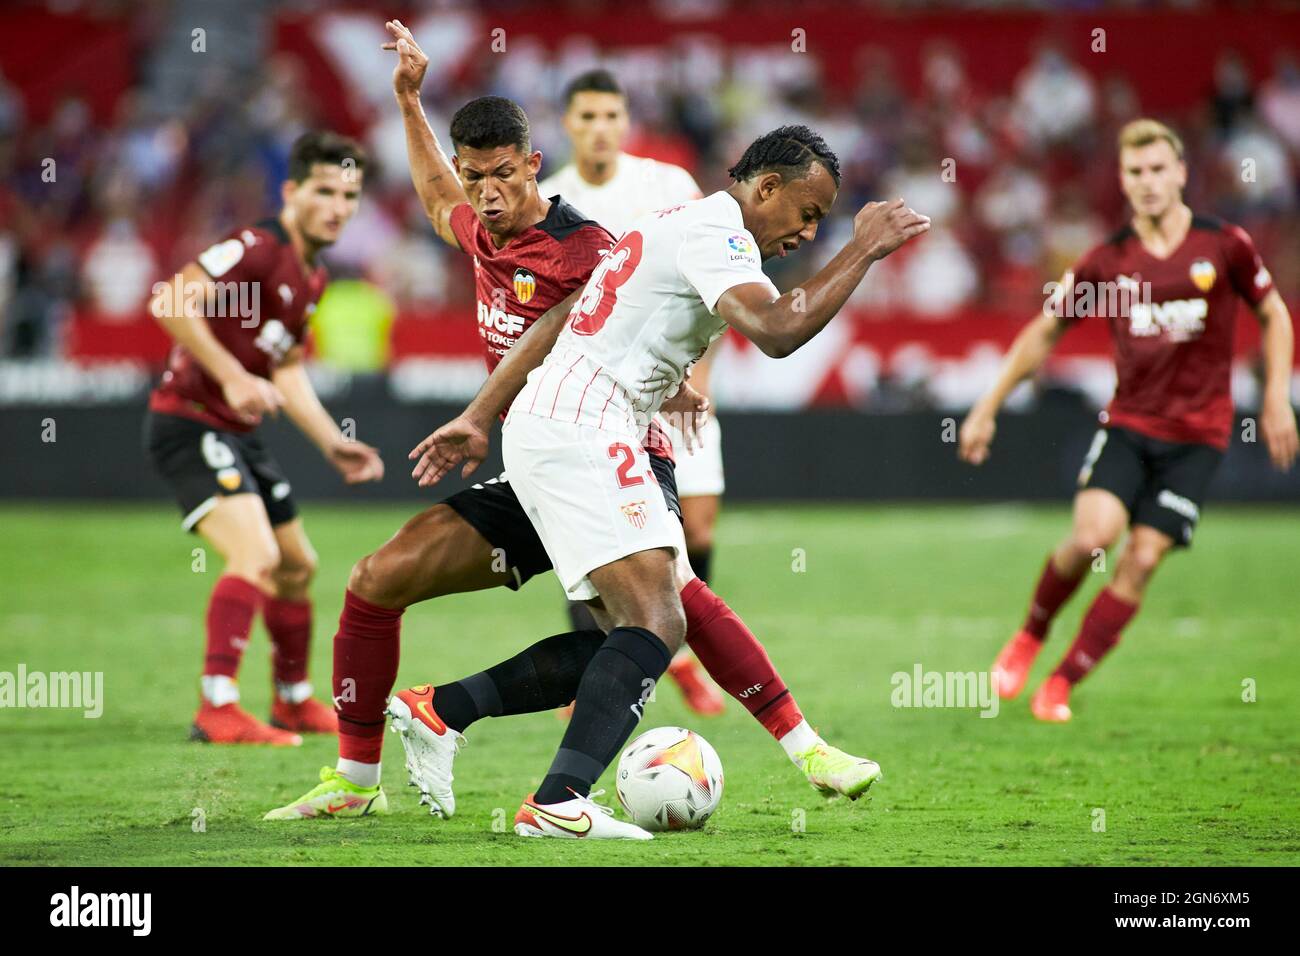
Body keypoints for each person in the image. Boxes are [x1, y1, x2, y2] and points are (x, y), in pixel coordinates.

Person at [264, 20, 890, 823]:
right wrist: (410, 100)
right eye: (472, 177)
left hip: (603, 440)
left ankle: (793, 751)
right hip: (548, 451)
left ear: (532, 168)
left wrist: (501, 408)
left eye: (498, 177)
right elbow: (433, 195)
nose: (483, 194)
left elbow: (593, 325)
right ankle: (364, 775)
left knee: (660, 615)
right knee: (380, 582)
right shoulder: (488, 234)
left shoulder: (581, 248)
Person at [960, 119, 1297, 722]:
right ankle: (1031, 634)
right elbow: (1046, 330)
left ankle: (1060, 683)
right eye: (1135, 172)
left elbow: (1273, 314)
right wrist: (988, 406)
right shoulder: (1108, 261)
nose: (1147, 182)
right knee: (1091, 540)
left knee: (1141, 559)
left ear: (1181, 173)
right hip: (1129, 427)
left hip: (1198, 438)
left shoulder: (1224, 246)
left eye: (1157, 169)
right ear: (1122, 178)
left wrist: (1275, 396)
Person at [145, 131, 383, 746]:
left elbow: (284, 369)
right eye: (325, 190)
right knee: (258, 557)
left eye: (350, 195)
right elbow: (170, 298)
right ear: (292, 191)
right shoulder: (255, 247)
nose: (338, 206)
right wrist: (230, 376)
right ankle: (216, 706)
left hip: (235, 432)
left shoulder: (314, 277)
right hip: (190, 419)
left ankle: (293, 700)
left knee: (299, 564)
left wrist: (332, 443)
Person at [538, 67, 722, 715]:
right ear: (567, 124)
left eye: (610, 116)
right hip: (597, 401)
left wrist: (702, 380)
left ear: (626, 121)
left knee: (694, 527)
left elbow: (713, 279)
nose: (599, 129)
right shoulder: (549, 199)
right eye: (586, 117)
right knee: (595, 535)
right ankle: (598, 668)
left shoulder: (666, 185)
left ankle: (680, 654)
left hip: (675, 387)